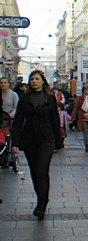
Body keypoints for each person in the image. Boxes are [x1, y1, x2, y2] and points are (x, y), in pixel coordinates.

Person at [11, 70, 62, 220]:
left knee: (41, 170)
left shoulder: (50, 99)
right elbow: (18, 121)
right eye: (32, 79)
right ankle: (41, 199)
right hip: (29, 140)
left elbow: (55, 121)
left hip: (46, 139)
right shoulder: (25, 99)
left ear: (42, 81)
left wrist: (58, 141)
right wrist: (15, 142)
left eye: (37, 79)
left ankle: (42, 205)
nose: (34, 81)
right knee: (34, 172)